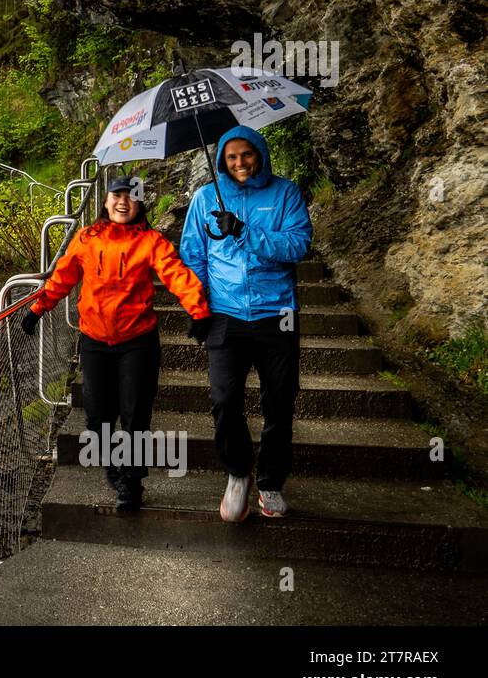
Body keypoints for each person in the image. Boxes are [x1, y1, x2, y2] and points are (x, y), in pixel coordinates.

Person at [21, 176, 211, 510]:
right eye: (117, 195)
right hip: (94, 341)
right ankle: (113, 464)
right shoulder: (87, 238)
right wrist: (38, 308)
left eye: (131, 196)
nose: (123, 201)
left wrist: (198, 310)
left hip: (138, 341)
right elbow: (63, 276)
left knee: (135, 414)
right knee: (97, 416)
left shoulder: (151, 241)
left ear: (140, 204)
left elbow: (176, 273)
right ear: (106, 202)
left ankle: (132, 483)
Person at [179, 125, 312, 522]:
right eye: (231, 157)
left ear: (260, 154)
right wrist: (196, 307)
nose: (240, 163)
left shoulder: (285, 193)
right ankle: (238, 473)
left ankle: (270, 481)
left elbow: (298, 245)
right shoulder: (205, 198)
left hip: (278, 313)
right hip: (226, 314)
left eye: (246, 154)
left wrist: (245, 230)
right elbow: (193, 256)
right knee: (223, 400)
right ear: (221, 160)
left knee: (280, 401)